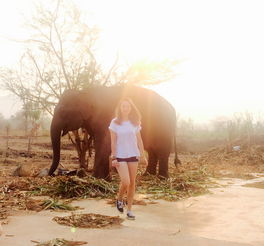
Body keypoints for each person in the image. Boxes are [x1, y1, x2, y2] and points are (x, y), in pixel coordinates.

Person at [108, 97, 147, 220]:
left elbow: (139, 140)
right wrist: (113, 157)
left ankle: (129, 210)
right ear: (120, 108)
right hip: (120, 155)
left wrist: (142, 155)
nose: (125, 109)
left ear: (131, 108)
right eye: (123, 106)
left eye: (128, 106)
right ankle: (119, 199)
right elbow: (113, 142)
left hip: (133, 154)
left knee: (132, 183)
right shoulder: (115, 122)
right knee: (126, 181)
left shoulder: (135, 122)